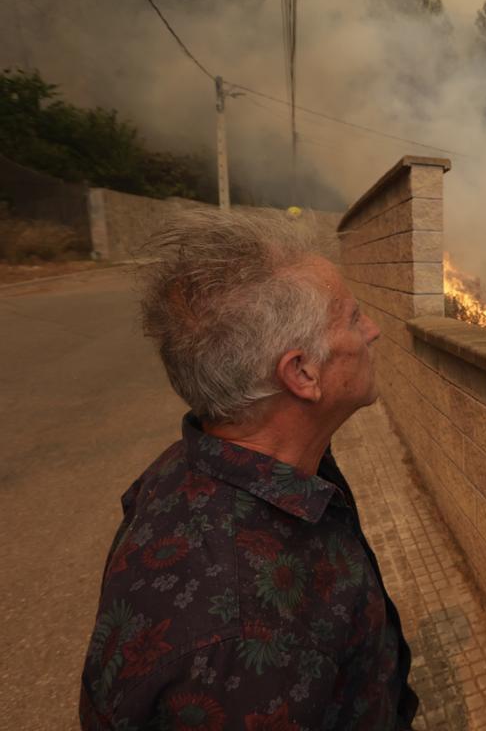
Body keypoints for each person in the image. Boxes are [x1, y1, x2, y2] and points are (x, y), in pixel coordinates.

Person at [79, 209, 419, 729]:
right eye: (353, 318)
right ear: (302, 372)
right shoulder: (244, 644)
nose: (372, 331)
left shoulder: (208, 467)